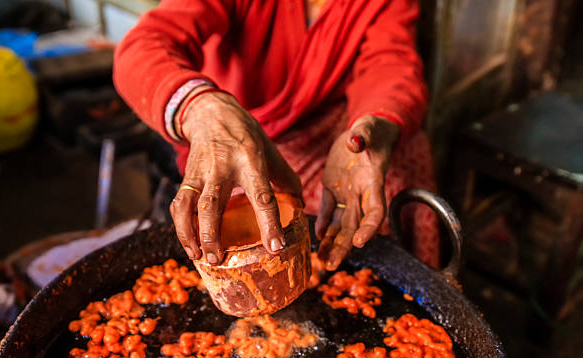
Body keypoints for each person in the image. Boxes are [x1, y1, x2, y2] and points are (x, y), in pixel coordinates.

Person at [113, 0, 439, 270]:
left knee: (392, 162)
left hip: (331, 123)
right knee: (244, 215)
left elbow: (390, 63)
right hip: (234, 129)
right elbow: (144, 45)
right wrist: (200, 107)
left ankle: (365, 274)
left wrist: (374, 124)